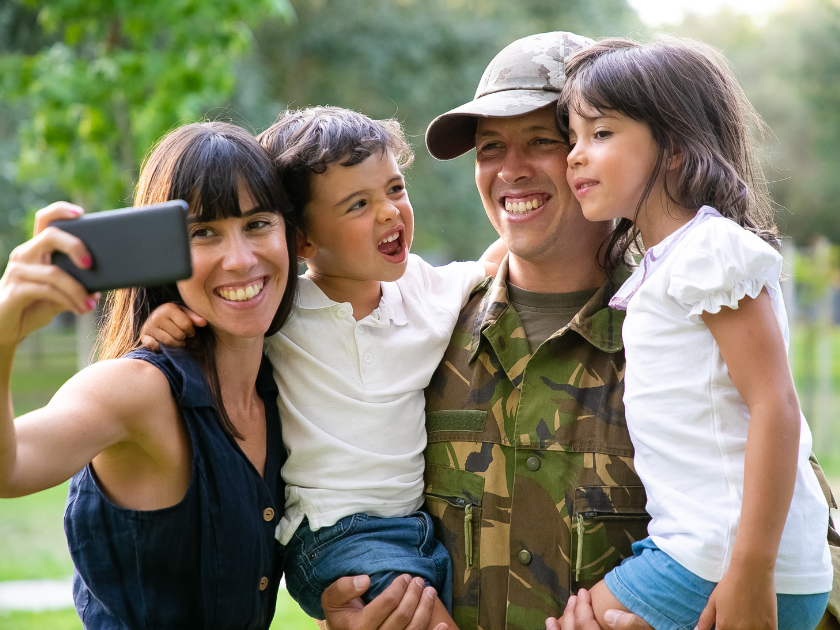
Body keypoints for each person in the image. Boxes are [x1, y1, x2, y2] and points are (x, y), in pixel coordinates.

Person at [319, 30, 840, 630]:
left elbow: (808, 571)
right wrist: (350, 606)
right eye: (489, 149)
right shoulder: (427, 340)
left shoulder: (689, 327)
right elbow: (348, 507)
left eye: (544, 140)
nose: (509, 171)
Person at [140, 107, 507, 630]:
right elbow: (212, 315)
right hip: (331, 535)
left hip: (415, 528)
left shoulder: (428, 289)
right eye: (358, 204)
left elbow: (499, 263)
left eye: (395, 190)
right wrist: (167, 321)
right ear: (303, 241)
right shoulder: (281, 310)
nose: (389, 213)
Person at [552, 36, 832, 630]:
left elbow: (775, 406)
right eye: (573, 137)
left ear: (674, 148)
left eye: (600, 134)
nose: (574, 156)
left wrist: (750, 573)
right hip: (708, 550)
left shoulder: (709, 249)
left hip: (725, 557)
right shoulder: (667, 260)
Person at [0, 121, 298, 628]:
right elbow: (10, 468)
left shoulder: (287, 377)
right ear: (162, 255)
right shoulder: (137, 389)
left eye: (257, 223)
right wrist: (3, 336)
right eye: (203, 233)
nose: (240, 259)